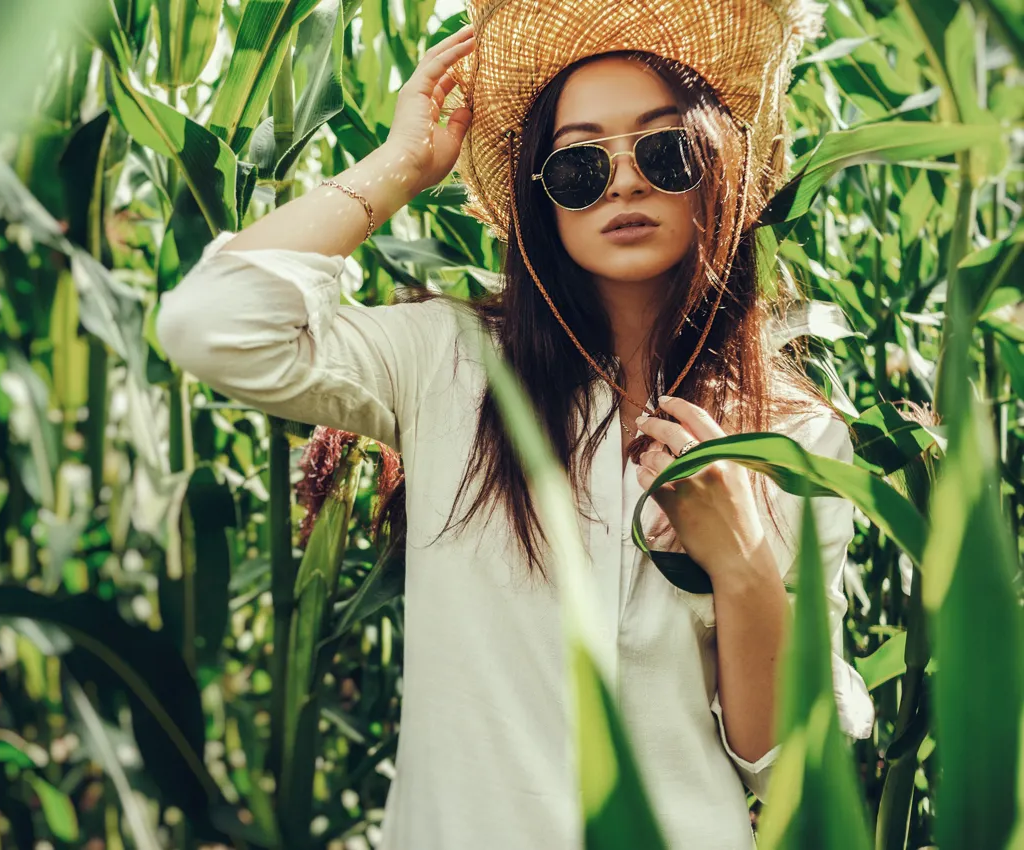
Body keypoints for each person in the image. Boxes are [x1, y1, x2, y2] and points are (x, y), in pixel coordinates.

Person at [155, 1, 876, 846]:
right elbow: (209, 325)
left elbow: (784, 763)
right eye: (577, 165)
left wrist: (745, 566)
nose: (625, 181)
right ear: (544, 202)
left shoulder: (795, 435)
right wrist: (399, 165)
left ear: (715, 162)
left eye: (664, 148)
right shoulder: (448, 363)